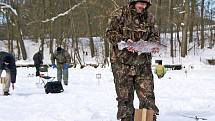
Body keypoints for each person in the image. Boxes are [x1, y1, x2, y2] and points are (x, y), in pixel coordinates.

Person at [106, 0, 159, 120]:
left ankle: (146, 119)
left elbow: (154, 35)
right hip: (122, 64)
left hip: (143, 64)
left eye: (145, 4)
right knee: (125, 99)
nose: (143, 6)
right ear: (134, 2)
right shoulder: (120, 13)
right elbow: (110, 33)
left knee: (148, 97)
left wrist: (153, 45)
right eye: (141, 3)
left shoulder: (149, 17)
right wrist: (124, 40)